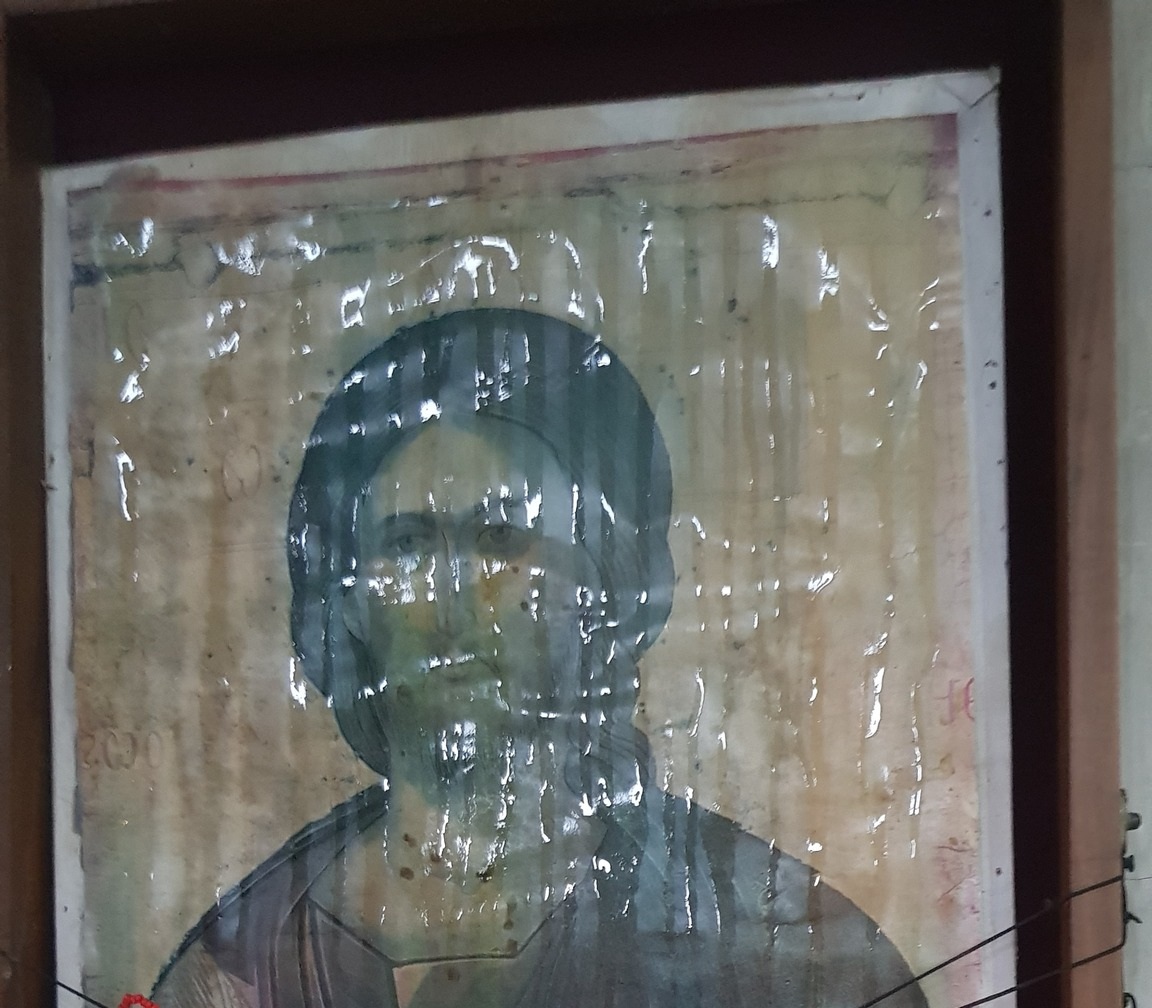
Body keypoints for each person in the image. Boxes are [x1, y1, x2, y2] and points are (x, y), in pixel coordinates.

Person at [154, 308, 928, 1008]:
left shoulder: (782, 948)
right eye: (408, 544)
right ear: (350, 603)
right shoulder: (240, 965)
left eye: (501, 538)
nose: (452, 598)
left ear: (600, 584)